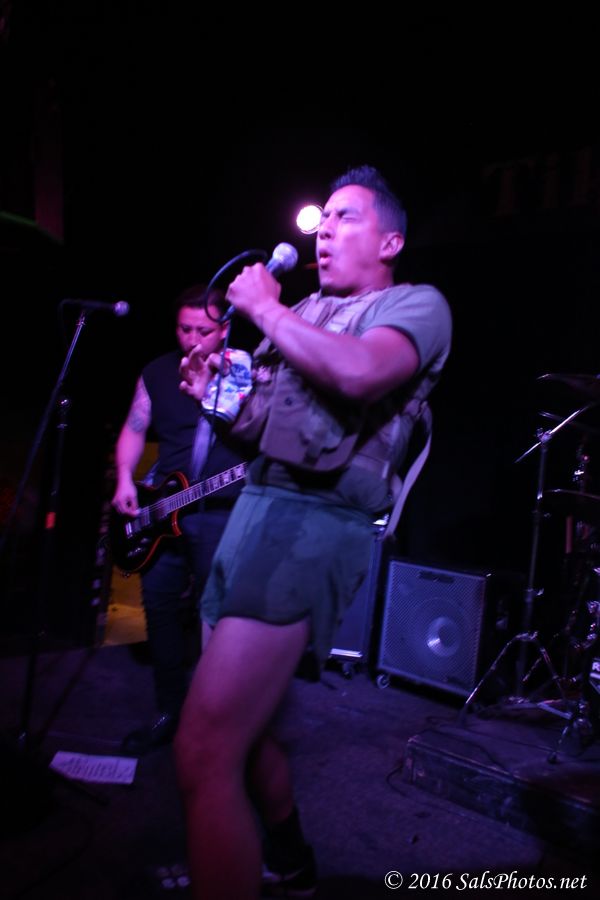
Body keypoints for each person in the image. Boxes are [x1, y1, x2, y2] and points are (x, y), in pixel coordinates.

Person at [174, 165, 452, 899]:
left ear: (390, 241)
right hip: (256, 512)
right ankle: (291, 862)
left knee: (203, 749)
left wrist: (267, 311)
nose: (324, 231)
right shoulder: (305, 311)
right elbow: (261, 427)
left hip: (312, 524)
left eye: (345, 217)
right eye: (321, 219)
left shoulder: (416, 305)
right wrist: (215, 393)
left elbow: (359, 374)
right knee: (248, 733)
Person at [111, 284, 251, 755]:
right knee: (160, 608)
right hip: (163, 508)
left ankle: (219, 727)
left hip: (222, 508)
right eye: (184, 329)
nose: (192, 339)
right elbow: (134, 427)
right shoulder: (156, 372)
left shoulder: (240, 369)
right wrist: (125, 479)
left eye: (203, 331)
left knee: (219, 619)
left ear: (224, 329)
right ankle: (169, 711)